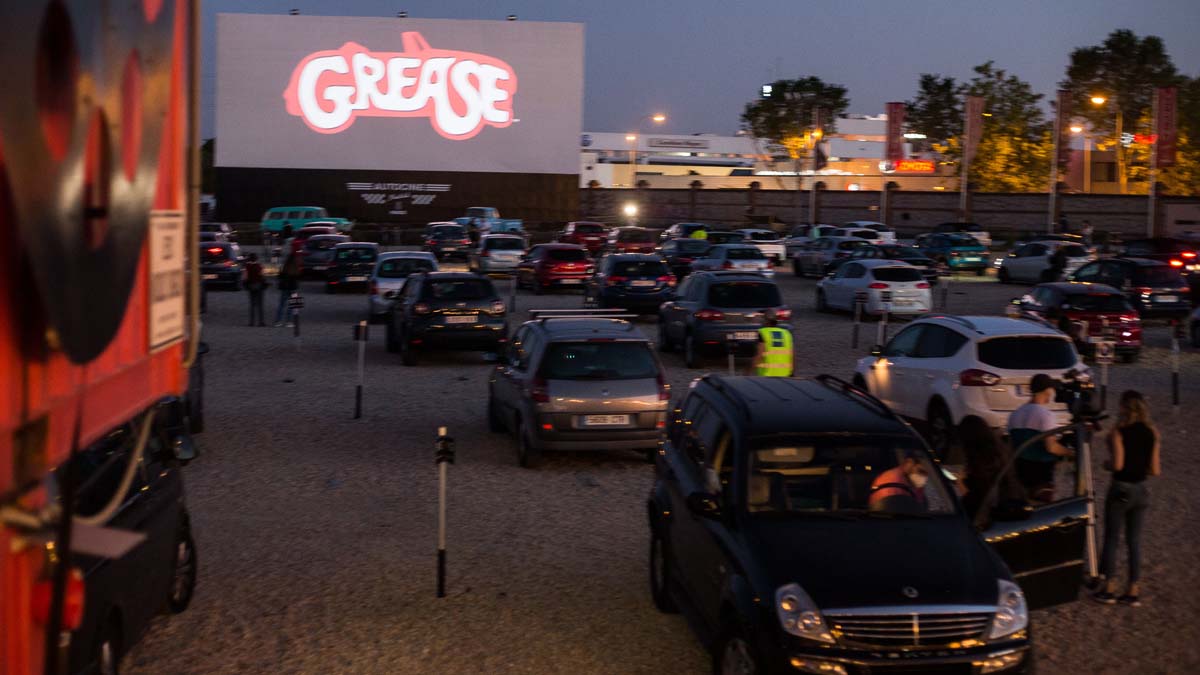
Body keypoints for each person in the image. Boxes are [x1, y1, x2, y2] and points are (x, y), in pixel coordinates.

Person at [1094, 391, 1160, 606]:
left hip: (1121, 489)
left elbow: (1118, 465)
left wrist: (1107, 464)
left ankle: (1110, 587)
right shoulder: (1152, 433)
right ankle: (1133, 590)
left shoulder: (1118, 432)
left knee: (1112, 538)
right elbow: (1155, 470)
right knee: (1134, 541)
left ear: (1123, 407)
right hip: (1141, 491)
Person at [1009, 374, 1074, 502]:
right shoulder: (1045, 415)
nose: (1053, 392)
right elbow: (1051, 447)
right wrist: (1070, 453)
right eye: (1052, 389)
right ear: (1047, 390)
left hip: (1021, 472)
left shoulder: (1015, 414)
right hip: (1041, 475)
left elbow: (1011, 445)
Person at [957, 416, 1026, 526]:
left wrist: (961, 484)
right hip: (1011, 505)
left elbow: (975, 499)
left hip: (986, 518)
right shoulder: (1001, 452)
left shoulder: (978, 462)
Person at [753, 309, 793, 377]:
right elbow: (792, 356)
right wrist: (792, 373)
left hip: (766, 376)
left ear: (766, 321)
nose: (761, 321)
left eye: (763, 319)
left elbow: (759, 356)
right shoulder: (786, 333)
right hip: (785, 376)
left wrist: (748, 369)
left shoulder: (763, 333)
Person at [275, 252, 300, 327]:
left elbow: (279, 277)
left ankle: (278, 321)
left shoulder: (285, 267)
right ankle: (289, 322)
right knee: (292, 306)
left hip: (284, 288)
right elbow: (298, 278)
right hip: (293, 288)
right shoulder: (296, 268)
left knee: (281, 305)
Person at [243, 253, 267, 327]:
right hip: (259, 286)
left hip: (251, 286)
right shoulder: (259, 266)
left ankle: (252, 322)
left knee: (252, 305)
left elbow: (245, 277)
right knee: (260, 305)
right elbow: (263, 276)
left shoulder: (247, 267)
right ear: (257, 259)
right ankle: (261, 322)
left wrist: (246, 284)